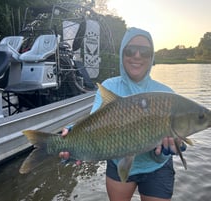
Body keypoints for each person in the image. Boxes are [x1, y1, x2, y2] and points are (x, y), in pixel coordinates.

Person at [59, 27, 186, 201]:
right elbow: (95, 121)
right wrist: (73, 133)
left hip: (158, 168)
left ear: (152, 57)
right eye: (130, 50)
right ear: (122, 53)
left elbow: (170, 146)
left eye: (145, 52)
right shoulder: (109, 86)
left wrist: (171, 147)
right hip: (119, 162)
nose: (137, 56)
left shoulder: (167, 94)